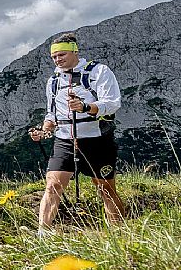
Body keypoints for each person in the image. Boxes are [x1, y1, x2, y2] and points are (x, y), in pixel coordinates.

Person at [28, 32, 124, 234]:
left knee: (105, 189)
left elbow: (113, 103)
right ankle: (42, 236)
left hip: (96, 139)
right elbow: (52, 114)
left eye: (61, 54)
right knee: (53, 185)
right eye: (54, 57)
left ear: (75, 52)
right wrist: (44, 130)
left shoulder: (98, 72)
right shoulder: (53, 82)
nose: (57, 59)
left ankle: (120, 234)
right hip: (64, 139)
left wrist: (85, 107)